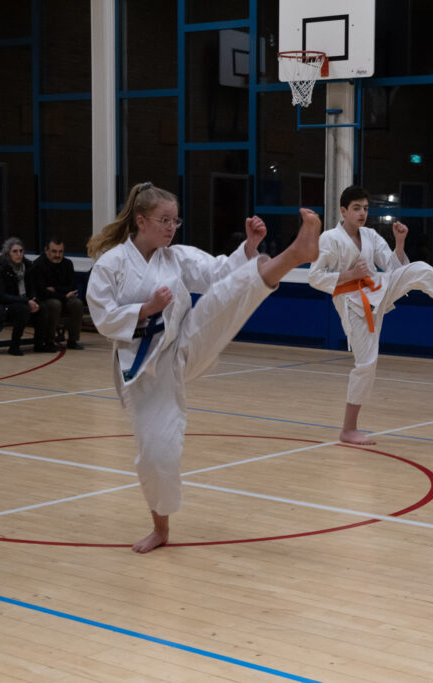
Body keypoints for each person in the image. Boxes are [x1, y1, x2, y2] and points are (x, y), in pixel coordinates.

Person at [86, 181, 320, 553]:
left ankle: (294, 254)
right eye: (164, 220)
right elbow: (102, 317)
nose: (170, 228)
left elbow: (218, 273)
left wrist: (250, 248)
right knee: (157, 454)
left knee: (227, 295)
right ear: (141, 221)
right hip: (146, 369)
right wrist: (146, 309)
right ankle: (160, 529)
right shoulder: (111, 264)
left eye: (175, 221)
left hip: (185, 344)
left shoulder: (175, 257)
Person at [308, 185, 433, 446]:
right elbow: (315, 277)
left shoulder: (371, 235)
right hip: (353, 305)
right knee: (366, 365)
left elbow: (396, 268)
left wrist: (400, 242)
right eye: (356, 208)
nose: (362, 213)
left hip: (378, 289)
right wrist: (349, 275)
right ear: (343, 210)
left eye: (365, 208)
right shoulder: (330, 239)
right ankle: (348, 429)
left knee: (419, 269)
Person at [0, 237, 52, 356]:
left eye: (21, 251)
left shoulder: (27, 266)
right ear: (8, 253)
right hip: (3, 306)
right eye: (15, 251)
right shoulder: (0, 269)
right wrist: (26, 301)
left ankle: (39, 344)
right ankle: (14, 346)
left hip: (23, 301)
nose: (19, 254)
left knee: (42, 307)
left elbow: (32, 287)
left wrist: (33, 299)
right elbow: (2, 296)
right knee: (23, 309)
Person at [30, 237, 85, 349]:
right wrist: (63, 295)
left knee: (77, 303)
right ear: (46, 250)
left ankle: (73, 340)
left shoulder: (67, 264)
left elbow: (73, 287)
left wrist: (55, 289)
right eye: (54, 251)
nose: (58, 255)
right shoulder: (38, 265)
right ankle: (49, 341)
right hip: (44, 300)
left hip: (61, 297)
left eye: (61, 252)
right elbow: (42, 292)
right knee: (55, 304)